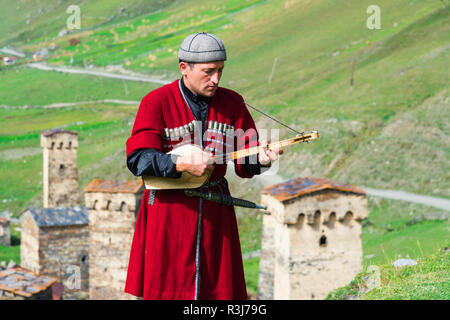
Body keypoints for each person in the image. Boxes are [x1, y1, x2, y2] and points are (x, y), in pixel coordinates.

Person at [124, 32, 282, 300]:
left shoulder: (232, 102)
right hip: (169, 213)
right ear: (184, 68)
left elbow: (245, 160)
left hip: (215, 211)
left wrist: (262, 159)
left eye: (220, 70)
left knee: (219, 292)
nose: (216, 79)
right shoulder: (156, 102)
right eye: (208, 72)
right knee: (170, 289)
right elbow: (138, 158)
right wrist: (181, 163)